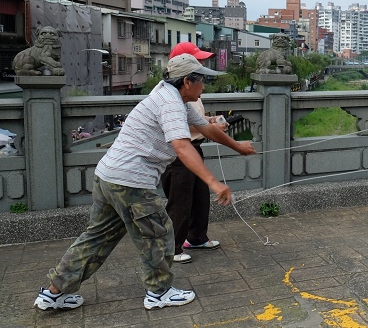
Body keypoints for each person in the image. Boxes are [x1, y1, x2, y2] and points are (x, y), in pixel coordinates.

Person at [34, 54, 256, 311]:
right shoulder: (171, 104)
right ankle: (159, 292)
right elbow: (182, 147)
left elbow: (206, 129)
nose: (204, 87)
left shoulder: (168, 95)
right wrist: (214, 182)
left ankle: (54, 292)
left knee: (95, 237)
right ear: (187, 81)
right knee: (158, 233)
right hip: (131, 182)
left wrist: (237, 146)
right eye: (202, 81)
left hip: (108, 176)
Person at [162, 42, 227, 263]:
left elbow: (194, 119)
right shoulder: (171, 95)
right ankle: (172, 248)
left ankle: (197, 237)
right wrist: (208, 127)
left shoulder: (192, 89)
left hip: (195, 148)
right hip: (180, 153)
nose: (201, 64)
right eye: (196, 60)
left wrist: (210, 122)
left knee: (199, 197)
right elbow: (176, 125)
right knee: (180, 201)